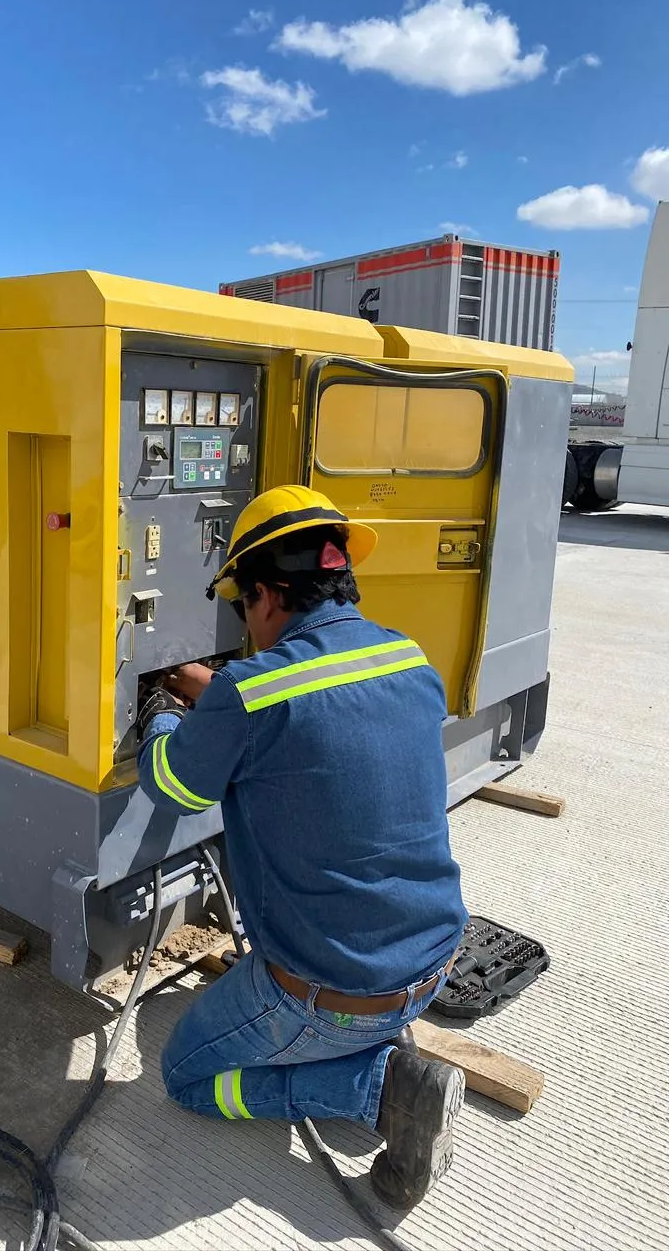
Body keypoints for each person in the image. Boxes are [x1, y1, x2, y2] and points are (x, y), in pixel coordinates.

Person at [136, 485, 469, 1210]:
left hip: (332, 992)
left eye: (241, 605)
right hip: (433, 960)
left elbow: (174, 785)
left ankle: (377, 1090)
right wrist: (220, 693)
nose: (243, 623)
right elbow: (317, 717)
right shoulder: (409, 658)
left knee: (187, 1076)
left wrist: (166, 711)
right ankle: (378, 1043)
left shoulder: (250, 695)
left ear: (267, 596)